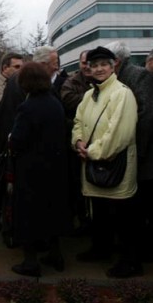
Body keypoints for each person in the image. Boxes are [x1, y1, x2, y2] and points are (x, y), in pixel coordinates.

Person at [72, 46, 140, 278]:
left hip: (115, 166)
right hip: (91, 163)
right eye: (95, 65)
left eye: (104, 64)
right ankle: (101, 250)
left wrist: (90, 152)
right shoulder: (88, 95)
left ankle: (130, 261)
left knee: (123, 217)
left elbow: (120, 134)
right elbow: (78, 122)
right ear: (88, 69)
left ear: (114, 67)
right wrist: (78, 141)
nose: (99, 69)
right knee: (99, 213)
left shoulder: (122, 93)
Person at [105, 41, 153, 263]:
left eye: (106, 62)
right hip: (134, 155)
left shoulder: (139, 76)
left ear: (117, 61)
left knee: (151, 208)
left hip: (147, 157)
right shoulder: (119, 78)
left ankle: (151, 252)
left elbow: (148, 115)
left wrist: (133, 151)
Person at [8, 62, 72, 277]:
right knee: (52, 211)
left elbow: (18, 140)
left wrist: (11, 139)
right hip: (56, 168)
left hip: (32, 170)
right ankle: (56, 255)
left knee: (28, 214)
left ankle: (30, 262)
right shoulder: (55, 102)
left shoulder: (28, 107)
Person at [0, 46, 63, 235]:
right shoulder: (28, 89)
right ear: (41, 65)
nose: (56, 69)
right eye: (53, 65)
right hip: (29, 157)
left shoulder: (29, 88)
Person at [61, 49, 93, 236]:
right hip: (77, 143)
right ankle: (82, 221)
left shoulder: (105, 81)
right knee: (78, 185)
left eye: (92, 62)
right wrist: (95, 97)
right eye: (84, 62)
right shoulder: (71, 82)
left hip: (100, 144)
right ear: (79, 64)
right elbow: (69, 102)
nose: (88, 66)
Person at [0, 53, 23, 132]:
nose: (21, 70)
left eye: (22, 67)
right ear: (5, 68)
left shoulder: (22, 84)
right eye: (17, 67)